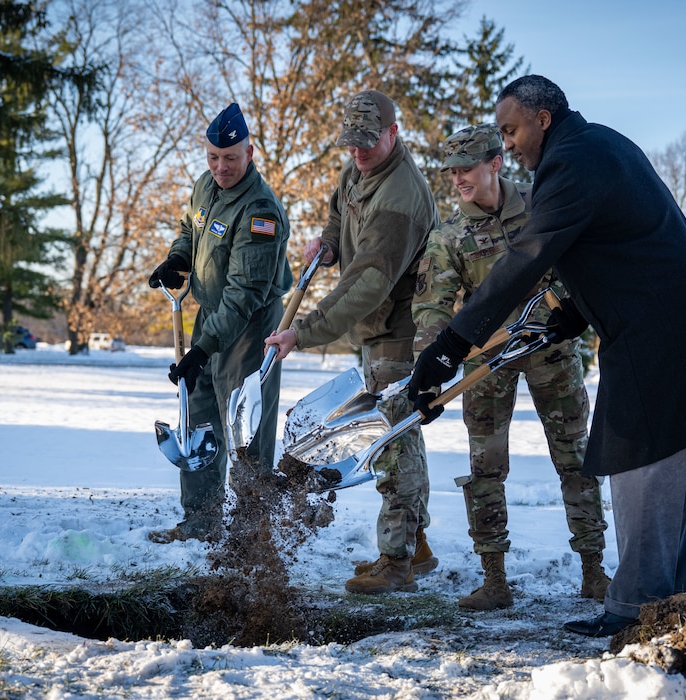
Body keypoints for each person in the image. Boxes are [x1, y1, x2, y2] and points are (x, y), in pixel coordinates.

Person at [409, 75, 686, 636]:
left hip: (660, 325)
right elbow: (613, 241)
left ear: (542, 119)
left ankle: (635, 610)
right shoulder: (598, 143)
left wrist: (452, 344)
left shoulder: (572, 161)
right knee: (669, 467)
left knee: (640, 456)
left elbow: (529, 256)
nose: (508, 145)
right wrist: (575, 310)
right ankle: (664, 605)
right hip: (669, 314)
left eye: (511, 130)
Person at [412, 123, 611, 611]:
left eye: (466, 170)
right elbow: (432, 309)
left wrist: (573, 309)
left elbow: (581, 265)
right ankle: (494, 579)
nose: (457, 180)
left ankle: (594, 571)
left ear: (495, 164)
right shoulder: (449, 236)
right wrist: (430, 367)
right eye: (451, 172)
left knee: (576, 459)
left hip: (552, 347)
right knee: (485, 468)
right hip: (487, 359)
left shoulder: (542, 207)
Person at [264, 89, 440, 594]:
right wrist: (327, 244)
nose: (358, 154)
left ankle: (396, 562)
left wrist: (307, 330)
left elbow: (368, 282)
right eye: (352, 144)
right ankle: (416, 547)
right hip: (374, 327)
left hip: (401, 330)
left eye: (369, 143)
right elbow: (340, 220)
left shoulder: (402, 196)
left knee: (391, 439)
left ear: (394, 133)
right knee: (399, 434)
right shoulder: (356, 172)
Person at [147, 102, 293, 544]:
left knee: (245, 425)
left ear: (250, 153)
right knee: (199, 413)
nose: (220, 167)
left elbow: (244, 294)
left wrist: (203, 350)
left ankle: (252, 534)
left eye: (230, 158)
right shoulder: (204, 187)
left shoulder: (260, 212)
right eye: (212, 157)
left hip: (251, 327)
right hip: (211, 315)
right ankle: (200, 523)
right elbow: (190, 229)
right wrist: (178, 257)